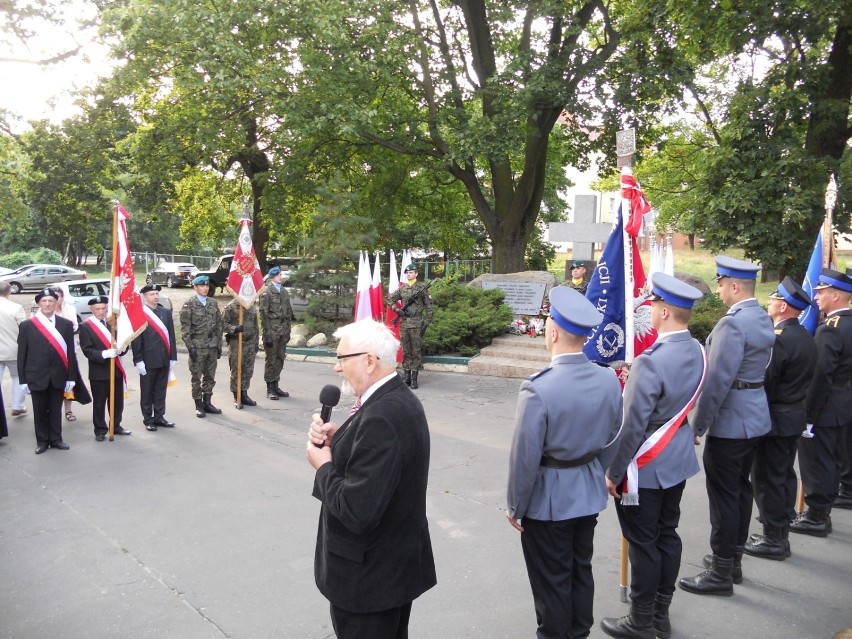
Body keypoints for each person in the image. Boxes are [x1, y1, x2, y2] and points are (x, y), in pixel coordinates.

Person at [306, 319, 436, 639]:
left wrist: (322, 465)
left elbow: (356, 510)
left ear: (369, 361)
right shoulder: (395, 398)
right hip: (390, 570)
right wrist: (339, 440)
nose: (337, 369)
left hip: (370, 580)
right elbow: (378, 464)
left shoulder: (382, 415)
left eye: (341, 358)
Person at [506, 286, 623, 639]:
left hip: (548, 501)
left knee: (551, 581)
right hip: (587, 492)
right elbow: (615, 436)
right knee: (579, 569)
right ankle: (578, 632)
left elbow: (524, 458)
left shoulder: (538, 387)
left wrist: (515, 506)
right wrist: (592, 469)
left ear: (552, 332)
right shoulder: (607, 378)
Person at [600, 273, 705, 639]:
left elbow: (632, 427)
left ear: (662, 311)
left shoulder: (651, 361)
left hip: (644, 464)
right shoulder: (697, 349)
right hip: (675, 457)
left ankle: (640, 621)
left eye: (653, 306)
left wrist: (613, 472)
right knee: (667, 535)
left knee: (643, 542)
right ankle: (661, 613)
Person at [679, 256, 774, 597]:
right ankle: (731, 560)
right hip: (754, 417)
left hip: (731, 421)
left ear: (734, 286)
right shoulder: (761, 316)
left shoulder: (732, 324)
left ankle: (721, 571)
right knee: (740, 491)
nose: (717, 289)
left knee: (724, 497)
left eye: (720, 283)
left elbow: (717, 381)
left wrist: (697, 425)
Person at [745, 277, 817, 559]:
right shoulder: (804, 336)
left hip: (775, 419)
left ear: (783, 306)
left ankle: (773, 539)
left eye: (774, 299)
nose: (769, 302)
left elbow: (767, 382)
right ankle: (779, 534)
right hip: (793, 416)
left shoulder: (779, 340)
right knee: (782, 475)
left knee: (767, 479)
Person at [791, 268, 852, 536]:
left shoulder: (830, 330)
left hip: (826, 405)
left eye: (821, 292)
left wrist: (808, 414)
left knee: (817, 461)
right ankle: (820, 512)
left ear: (836, 296)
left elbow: (820, 376)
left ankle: (817, 515)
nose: (816, 297)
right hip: (843, 401)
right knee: (832, 458)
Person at [17, 288, 78, 454]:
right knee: (39, 410)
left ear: (56, 302)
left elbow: (70, 352)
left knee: (56, 409)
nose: (48, 304)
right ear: (38, 304)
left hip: (58, 375)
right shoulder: (27, 326)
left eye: (51, 300)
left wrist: (71, 377)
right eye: (44, 301)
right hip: (36, 376)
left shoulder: (65, 324)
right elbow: (22, 354)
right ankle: (42, 441)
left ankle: (56, 439)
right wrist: (22, 380)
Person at [78, 296, 132, 441]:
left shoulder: (112, 323)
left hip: (116, 369)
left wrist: (122, 349)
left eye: (103, 308)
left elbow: (122, 342)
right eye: (97, 309)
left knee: (117, 401)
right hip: (99, 372)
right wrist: (103, 354)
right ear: (91, 310)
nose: (101, 312)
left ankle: (116, 426)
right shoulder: (85, 326)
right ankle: (100, 430)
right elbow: (87, 350)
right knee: (100, 402)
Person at [132, 284, 177, 431]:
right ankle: (148, 419)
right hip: (148, 360)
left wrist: (173, 357)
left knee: (160, 390)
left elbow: (171, 336)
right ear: (145, 296)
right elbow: (136, 339)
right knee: (147, 391)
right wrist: (138, 360)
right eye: (152, 294)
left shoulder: (165, 312)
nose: (155, 296)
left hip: (164, 358)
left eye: (157, 293)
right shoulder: (140, 313)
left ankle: (159, 417)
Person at [180, 275, 223, 418]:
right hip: (197, 347)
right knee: (196, 377)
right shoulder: (189, 305)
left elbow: (218, 325)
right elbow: (185, 329)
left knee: (210, 376)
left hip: (211, 346)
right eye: (202, 286)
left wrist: (219, 344)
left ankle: (208, 402)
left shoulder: (213, 303)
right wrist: (190, 347)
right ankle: (198, 405)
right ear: (195, 287)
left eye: (207, 286)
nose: (205, 288)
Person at [387, 263, 433, 389]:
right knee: (406, 351)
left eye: (411, 272)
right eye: (407, 272)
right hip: (404, 323)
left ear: (416, 274)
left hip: (417, 323)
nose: (409, 274)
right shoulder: (402, 289)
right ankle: (406, 377)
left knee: (416, 351)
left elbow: (429, 306)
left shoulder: (422, 288)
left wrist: (427, 321)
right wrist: (397, 310)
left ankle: (414, 378)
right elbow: (390, 300)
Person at [53, 286, 92, 421]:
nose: (56, 300)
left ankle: (68, 411)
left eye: (59, 296)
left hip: (67, 350)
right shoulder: (41, 311)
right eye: (54, 296)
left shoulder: (69, 309)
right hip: (50, 354)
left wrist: (63, 312)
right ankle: (52, 411)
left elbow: (74, 326)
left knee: (68, 380)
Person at [257, 266, 293, 400]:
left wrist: (288, 331)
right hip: (272, 330)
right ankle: (270, 387)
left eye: (280, 274)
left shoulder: (284, 292)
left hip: (283, 330)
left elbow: (288, 313)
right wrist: (267, 335)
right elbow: (263, 315)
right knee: (271, 360)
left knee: (280, 358)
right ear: (272, 277)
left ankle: (276, 384)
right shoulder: (267, 293)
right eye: (278, 275)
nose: (280, 276)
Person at [222, 297, 259, 407]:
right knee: (237, 370)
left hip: (250, 343)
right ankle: (236, 395)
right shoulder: (230, 306)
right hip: (237, 343)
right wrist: (235, 329)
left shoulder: (251, 306)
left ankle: (244, 393)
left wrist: (256, 343)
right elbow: (222, 324)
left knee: (248, 370)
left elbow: (255, 326)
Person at [0, 280, 28, 417]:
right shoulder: (16, 308)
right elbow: (24, 329)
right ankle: (18, 405)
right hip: (14, 349)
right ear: (9, 292)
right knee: (18, 377)